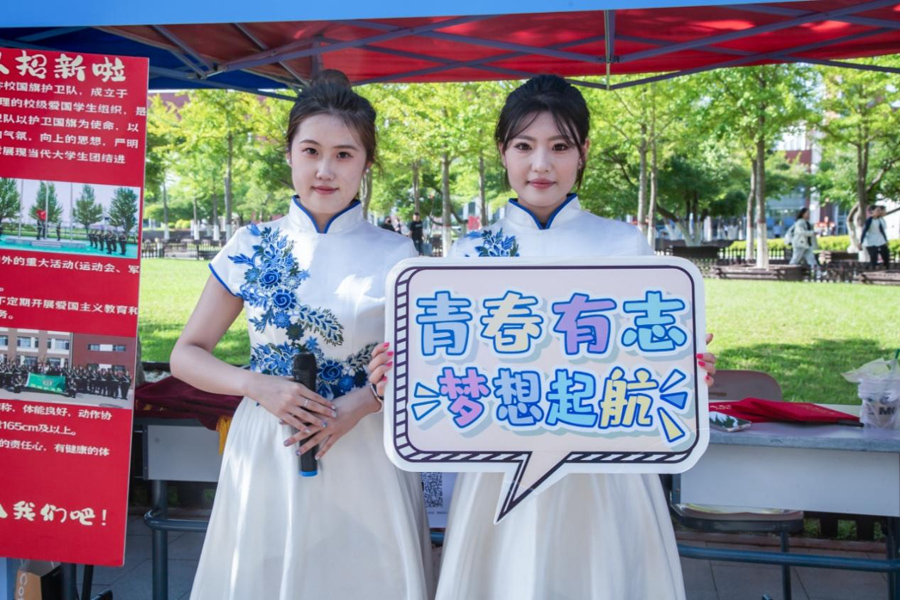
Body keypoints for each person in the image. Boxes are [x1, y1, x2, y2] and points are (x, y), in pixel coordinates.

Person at [370, 75, 716, 600]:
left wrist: (685, 372)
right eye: (523, 146)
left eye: (559, 147)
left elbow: (649, 353)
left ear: (584, 152)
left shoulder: (624, 245)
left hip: (607, 469)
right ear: (502, 152)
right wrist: (400, 374)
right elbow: (449, 367)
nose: (541, 165)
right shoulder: (468, 254)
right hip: (499, 467)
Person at [170, 75, 433, 600]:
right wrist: (255, 385)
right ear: (289, 154)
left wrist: (363, 403)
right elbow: (185, 355)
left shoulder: (399, 256)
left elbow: (420, 366)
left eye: (344, 154)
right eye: (311, 151)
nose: (325, 170)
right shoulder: (250, 245)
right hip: (267, 447)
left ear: (366, 163)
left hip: (365, 449)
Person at [861, 203, 890, 268]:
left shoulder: (879, 220)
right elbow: (864, 231)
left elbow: (882, 231)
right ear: (872, 211)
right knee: (874, 256)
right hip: (871, 241)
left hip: (880, 240)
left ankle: (886, 266)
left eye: (879, 210)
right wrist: (861, 242)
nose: (879, 212)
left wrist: (886, 240)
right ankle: (872, 268)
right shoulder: (869, 220)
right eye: (877, 210)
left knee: (885, 253)